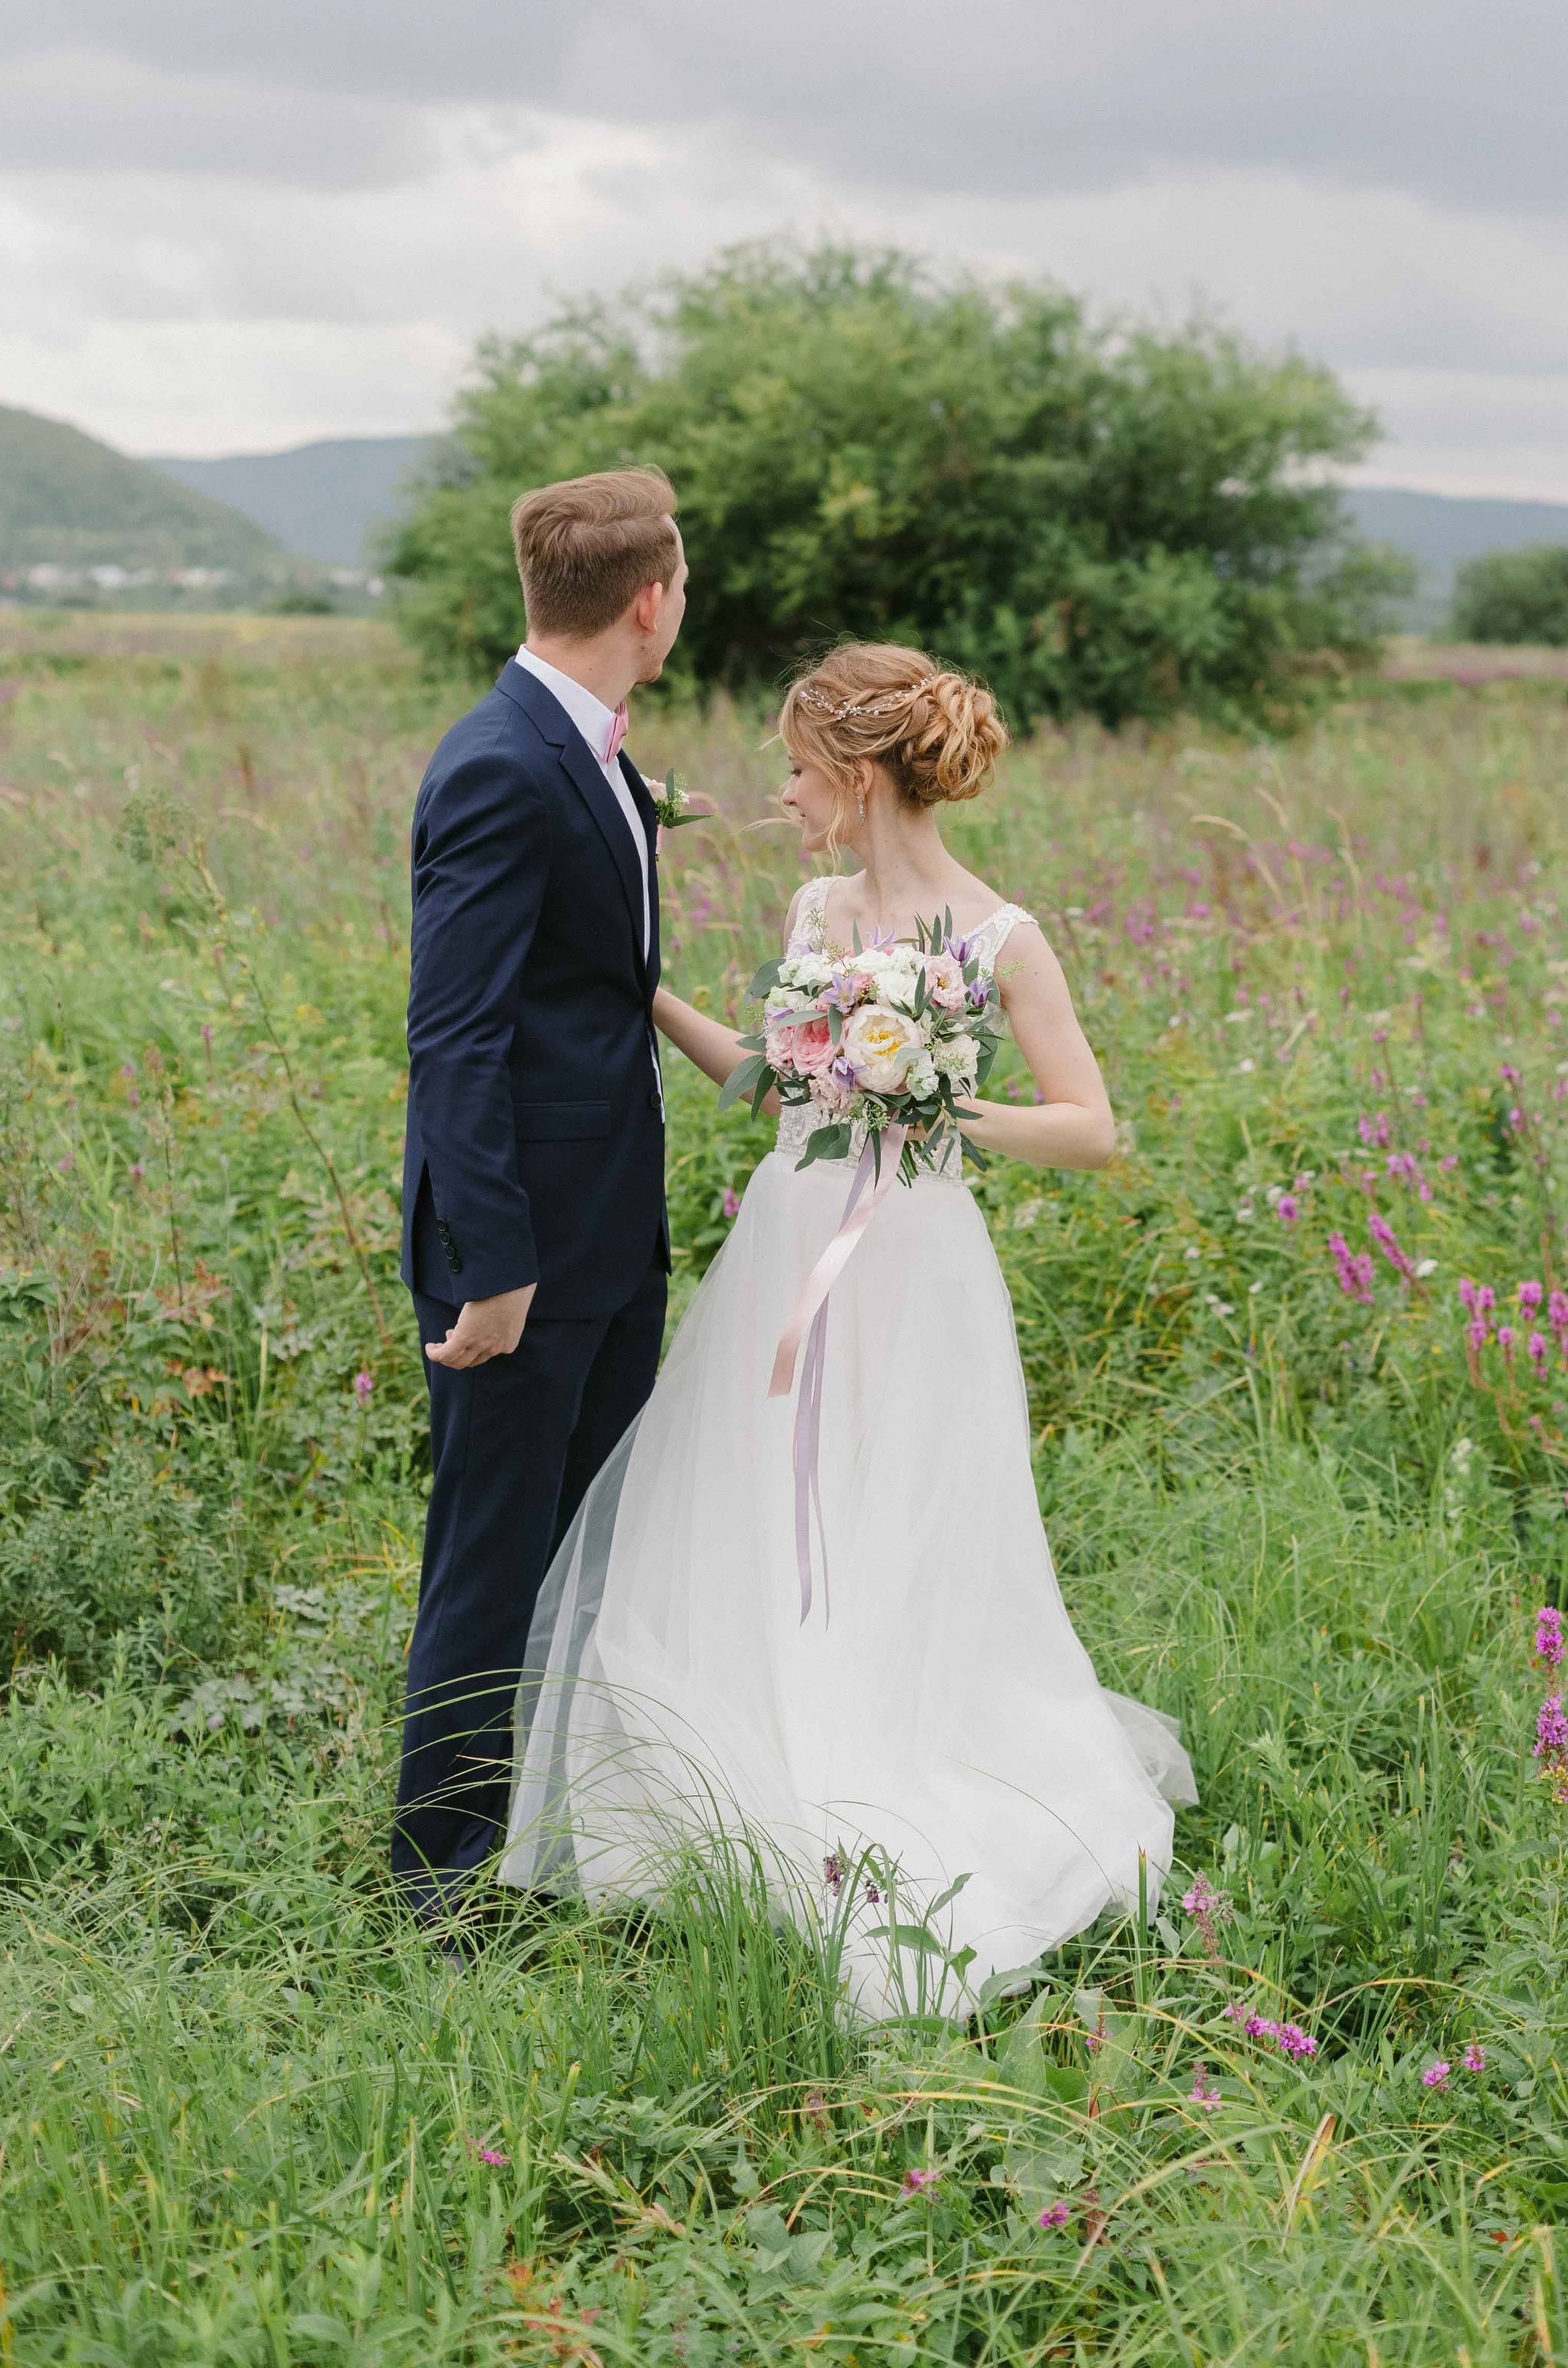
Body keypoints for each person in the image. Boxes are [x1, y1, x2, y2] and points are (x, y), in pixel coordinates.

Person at [502, 641, 1193, 2016]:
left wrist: (938, 1104)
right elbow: (772, 1091)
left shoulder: (1001, 937)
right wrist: (633, 988)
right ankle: (749, 1762)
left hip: (917, 1266)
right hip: (788, 1250)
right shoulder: (821, 912)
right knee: (750, 1505)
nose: (782, 792)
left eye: (800, 768)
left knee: (899, 1517)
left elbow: (1093, 1125)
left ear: (862, 775)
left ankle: (896, 1766)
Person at [393, 467, 688, 1922]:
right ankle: (437, 1894)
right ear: (652, 599)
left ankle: (552, 1846)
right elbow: (452, 1030)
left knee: (589, 1556)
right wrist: (493, 1263)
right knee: (494, 1565)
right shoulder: (503, 761)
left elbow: (589, 984)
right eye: (681, 582)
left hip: (611, 1237)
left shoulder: (596, 751)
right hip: (518, 1260)